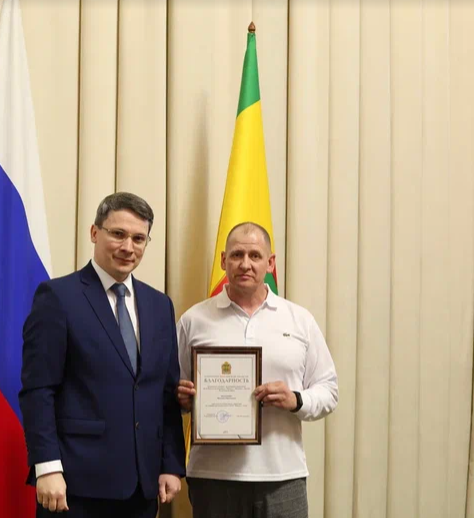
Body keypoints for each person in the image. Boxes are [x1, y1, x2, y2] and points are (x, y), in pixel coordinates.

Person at [19, 192, 185, 518]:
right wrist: (47, 466)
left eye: (138, 238)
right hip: (75, 484)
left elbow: (165, 393)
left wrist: (171, 463)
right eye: (118, 234)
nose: (128, 247)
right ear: (95, 233)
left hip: (142, 486)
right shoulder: (58, 297)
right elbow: (39, 390)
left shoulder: (159, 305)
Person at [177, 222, 338, 518]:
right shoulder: (193, 320)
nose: (245, 264)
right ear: (223, 260)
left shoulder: (299, 320)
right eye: (237, 255)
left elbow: (329, 390)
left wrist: (296, 399)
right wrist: (183, 401)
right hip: (213, 476)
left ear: (270, 263)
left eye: (255, 255)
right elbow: (173, 393)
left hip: (283, 476)